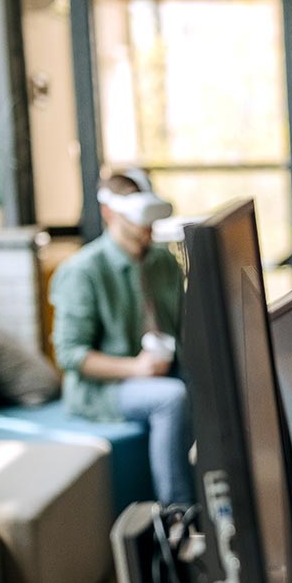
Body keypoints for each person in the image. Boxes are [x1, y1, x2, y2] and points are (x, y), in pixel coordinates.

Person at [49, 169, 193, 506]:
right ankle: (179, 516)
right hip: (103, 388)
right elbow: (70, 355)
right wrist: (137, 369)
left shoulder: (163, 263)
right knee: (171, 397)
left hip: (164, 368)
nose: (147, 227)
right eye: (137, 215)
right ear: (109, 212)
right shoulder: (83, 272)